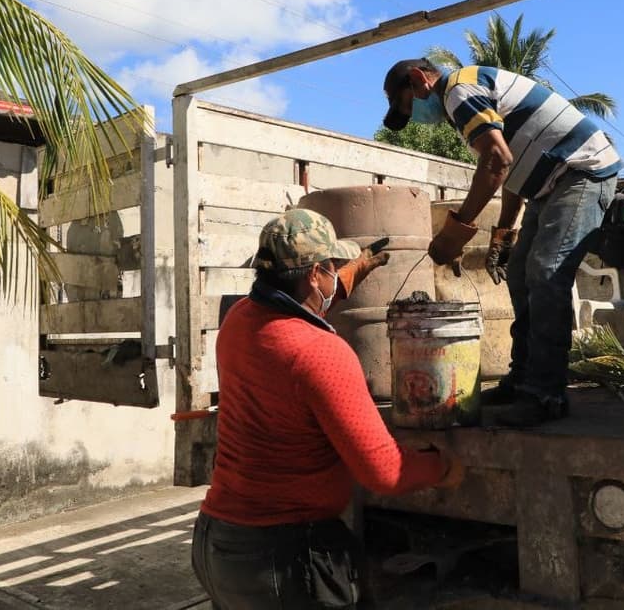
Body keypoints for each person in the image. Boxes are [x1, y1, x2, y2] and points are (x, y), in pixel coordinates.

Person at [192, 208, 464, 609]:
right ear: (315, 273)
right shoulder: (321, 352)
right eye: (333, 267)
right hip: (283, 560)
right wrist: (441, 467)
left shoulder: (238, 320)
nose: (338, 273)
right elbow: (384, 472)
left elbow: (292, 307)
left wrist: (351, 274)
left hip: (217, 545)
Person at [382, 58, 620, 427]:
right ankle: (522, 381)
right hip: (549, 185)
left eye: (407, 105)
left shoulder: (459, 90)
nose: (414, 116)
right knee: (520, 275)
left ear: (418, 79)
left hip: (581, 172)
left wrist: (457, 230)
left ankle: (546, 394)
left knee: (546, 272)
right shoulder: (464, 100)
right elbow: (513, 174)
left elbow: (497, 161)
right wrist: (503, 235)